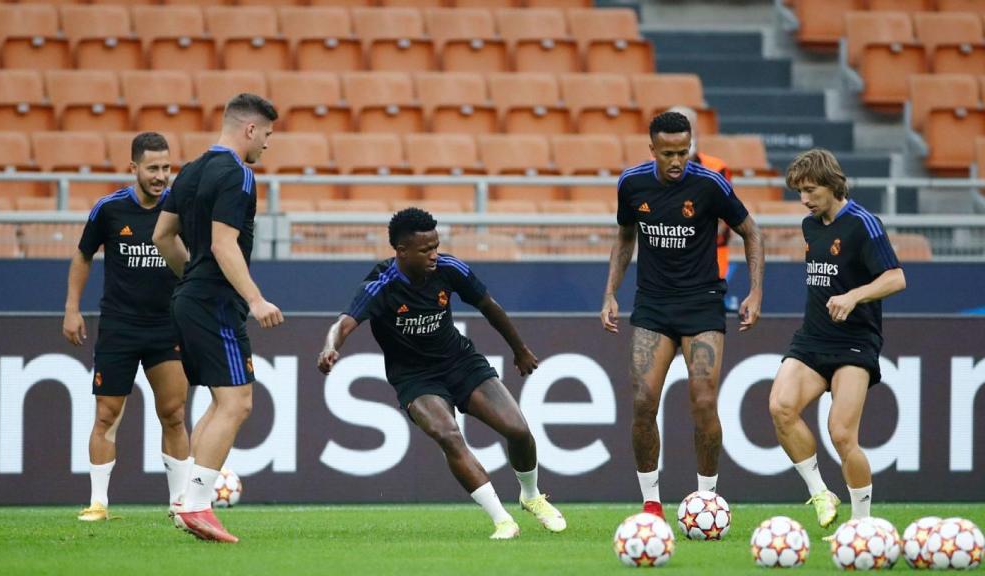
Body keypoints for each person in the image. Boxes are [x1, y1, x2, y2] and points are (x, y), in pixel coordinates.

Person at [317, 208, 566, 540]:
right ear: (401, 251)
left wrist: (519, 350)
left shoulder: (449, 269)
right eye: (425, 250)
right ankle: (502, 520)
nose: (434, 254)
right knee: (449, 436)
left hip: (460, 362)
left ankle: (531, 496)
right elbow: (344, 323)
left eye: (436, 245)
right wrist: (330, 347)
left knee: (518, 430)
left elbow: (489, 306)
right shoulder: (381, 286)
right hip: (415, 378)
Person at [601, 111, 765, 519]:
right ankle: (651, 503)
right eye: (669, 153)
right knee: (642, 403)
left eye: (684, 151)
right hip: (653, 304)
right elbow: (625, 236)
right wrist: (609, 293)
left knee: (704, 401)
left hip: (702, 302)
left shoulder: (709, 184)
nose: (678, 161)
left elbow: (751, 230)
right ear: (652, 148)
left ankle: (707, 499)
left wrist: (756, 292)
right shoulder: (631, 183)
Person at [153, 93, 283, 544]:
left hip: (189, 297)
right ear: (250, 129)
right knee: (237, 402)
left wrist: (191, 275)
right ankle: (198, 506)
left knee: (221, 400)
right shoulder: (239, 174)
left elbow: (162, 235)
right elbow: (225, 244)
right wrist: (255, 299)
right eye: (266, 134)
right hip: (215, 302)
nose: (267, 144)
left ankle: (187, 501)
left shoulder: (188, 172)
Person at [768, 149, 905, 531]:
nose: (804, 199)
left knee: (842, 435)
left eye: (810, 190)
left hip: (854, 343)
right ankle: (820, 492)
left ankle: (861, 525)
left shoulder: (864, 223)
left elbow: (896, 278)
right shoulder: (810, 225)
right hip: (812, 339)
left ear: (832, 184)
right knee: (780, 407)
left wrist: (853, 296)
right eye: (799, 192)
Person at [63, 132, 190, 522]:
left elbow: (195, 262)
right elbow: (83, 256)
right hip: (119, 327)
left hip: (166, 327)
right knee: (106, 414)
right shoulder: (109, 209)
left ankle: (180, 505)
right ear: (133, 167)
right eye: (153, 168)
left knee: (173, 413)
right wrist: (72, 308)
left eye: (166, 167)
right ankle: (98, 503)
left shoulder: (181, 209)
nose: (161, 175)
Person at [667, 105, 734, 281]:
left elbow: (725, 218)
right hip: (667, 260)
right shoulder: (650, 169)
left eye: (687, 127)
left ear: (696, 131)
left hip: (711, 259)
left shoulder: (716, 168)